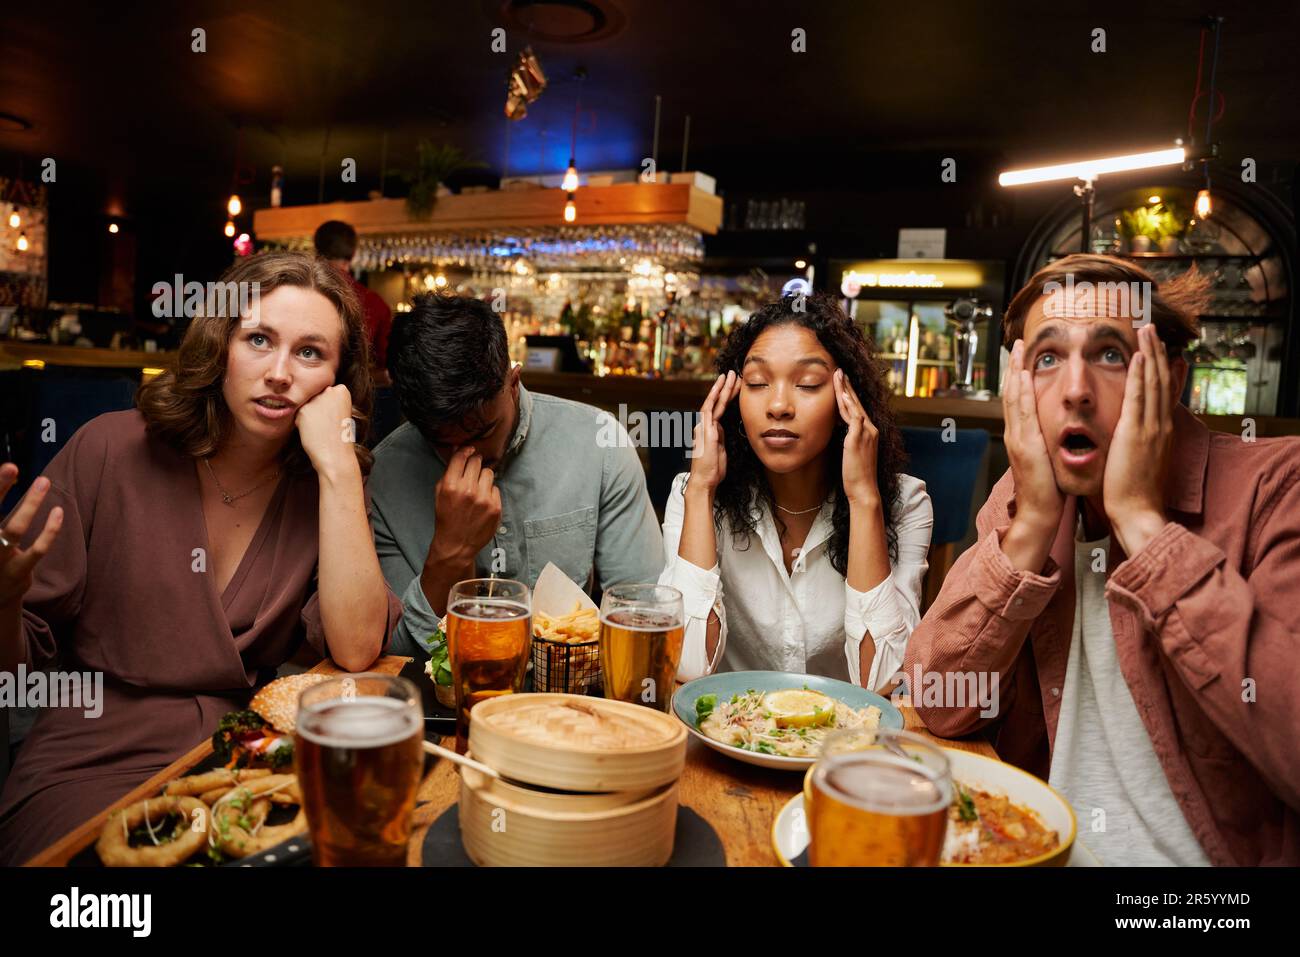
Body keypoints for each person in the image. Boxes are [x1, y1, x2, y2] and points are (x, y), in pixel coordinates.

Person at [0, 251, 401, 865]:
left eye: (310, 353)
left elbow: (354, 649)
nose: (278, 373)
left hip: (234, 761)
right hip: (89, 758)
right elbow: (17, 664)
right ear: (219, 345)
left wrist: (340, 467)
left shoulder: (324, 483)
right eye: (258, 339)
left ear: (339, 383)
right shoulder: (109, 448)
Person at [906, 253, 1300, 866]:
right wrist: (1033, 525)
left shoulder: (1277, 487)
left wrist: (1144, 525)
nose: (1076, 392)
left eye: (1111, 354)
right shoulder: (1022, 501)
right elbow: (941, 698)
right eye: (1047, 358)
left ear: (1170, 379)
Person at [662, 293, 933, 690]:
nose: (778, 405)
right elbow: (686, 665)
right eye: (757, 382)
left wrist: (863, 499)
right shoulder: (692, 494)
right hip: (726, 733)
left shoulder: (904, 505)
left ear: (848, 399)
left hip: (841, 745)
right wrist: (702, 489)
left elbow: (884, 681)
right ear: (734, 396)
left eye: (807, 384)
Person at [369, 292, 663, 658]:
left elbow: (643, 612)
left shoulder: (598, 444)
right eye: (443, 443)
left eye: (482, 433)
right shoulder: (383, 479)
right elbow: (391, 657)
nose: (469, 455)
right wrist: (449, 553)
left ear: (512, 382)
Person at [314, 219, 393, 379]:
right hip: (352, 395)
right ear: (354, 252)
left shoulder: (298, 290)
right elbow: (387, 362)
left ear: (316, 248)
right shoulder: (375, 303)